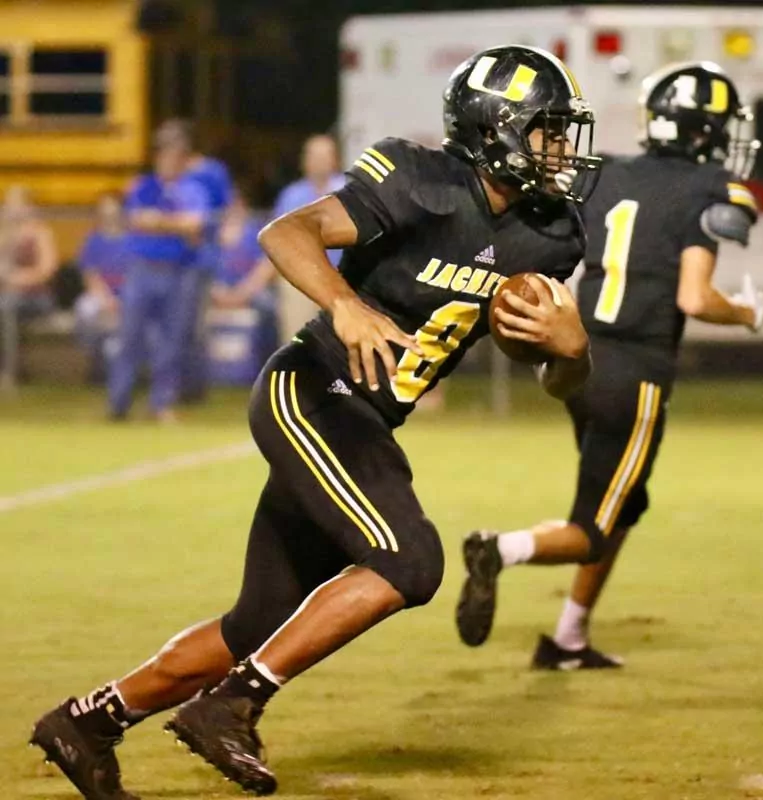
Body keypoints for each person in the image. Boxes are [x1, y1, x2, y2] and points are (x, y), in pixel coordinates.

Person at [31, 45, 600, 798]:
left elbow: (559, 381)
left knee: (256, 625)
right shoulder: (419, 179)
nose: (559, 150)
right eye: (546, 131)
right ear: (495, 129)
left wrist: (573, 351)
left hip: (366, 420)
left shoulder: (550, 234)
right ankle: (232, 705)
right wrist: (345, 305)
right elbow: (285, 232)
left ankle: (88, 723)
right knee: (410, 561)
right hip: (310, 390)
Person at [454, 61, 763, 669]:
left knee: (624, 504)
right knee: (592, 528)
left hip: (579, 359)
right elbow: (694, 297)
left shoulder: (610, 171)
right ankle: (501, 548)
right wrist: (747, 313)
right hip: (636, 371)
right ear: (706, 129)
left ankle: (569, 639)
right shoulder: (706, 185)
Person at [107, 139, 210, 422]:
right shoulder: (143, 186)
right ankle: (118, 403)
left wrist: (159, 221)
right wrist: (176, 224)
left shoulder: (193, 190)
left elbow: (195, 225)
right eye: (164, 156)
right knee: (130, 336)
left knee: (172, 341)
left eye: (175, 157)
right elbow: (137, 220)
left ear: (183, 161)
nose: (169, 162)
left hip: (178, 272)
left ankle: (161, 404)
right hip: (142, 270)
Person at [154, 119, 234, 402]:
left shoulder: (211, 171)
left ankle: (192, 387)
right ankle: (175, 388)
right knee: (174, 326)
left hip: (200, 258)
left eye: (172, 140)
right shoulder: (164, 173)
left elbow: (224, 211)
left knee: (191, 325)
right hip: (170, 258)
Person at [270, 134, 346, 343]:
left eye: (324, 156)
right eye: (314, 156)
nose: (319, 161)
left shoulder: (350, 191)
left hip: (343, 281)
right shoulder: (291, 196)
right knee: (297, 341)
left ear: (335, 159)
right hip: (301, 280)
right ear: (304, 161)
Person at [210, 185, 279, 360]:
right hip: (218, 291)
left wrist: (242, 294)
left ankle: (267, 362)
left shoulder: (257, 232)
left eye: (235, 204)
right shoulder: (212, 235)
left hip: (250, 290)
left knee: (268, 306)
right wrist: (217, 292)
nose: (231, 209)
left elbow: (266, 268)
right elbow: (205, 271)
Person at [0, 186, 58, 380]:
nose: (11, 208)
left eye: (17, 203)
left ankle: (9, 371)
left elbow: (47, 270)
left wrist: (17, 279)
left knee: (6, 305)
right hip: (7, 294)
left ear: (29, 207)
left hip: (37, 297)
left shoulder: (40, 232)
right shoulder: (3, 233)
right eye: (9, 203)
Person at [74, 192, 130, 382]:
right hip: (101, 296)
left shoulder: (134, 241)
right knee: (85, 308)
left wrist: (121, 300)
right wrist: (107, 299)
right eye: (104, 207)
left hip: (130, 296)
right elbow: (90, 276)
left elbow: (138, 275)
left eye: (112, 206)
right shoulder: (93, 241)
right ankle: (95, 358)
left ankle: (127, 366)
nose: (108, 211)